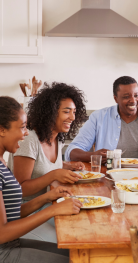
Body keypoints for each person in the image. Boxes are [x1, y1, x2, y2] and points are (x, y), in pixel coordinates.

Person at [0, 96, 82, 263]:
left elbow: (12, 213)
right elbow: (2, 233)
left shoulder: (1, 162)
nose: (25, 133)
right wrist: (52, 210)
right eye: (22, 127)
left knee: (76, 254)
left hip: (12, 244)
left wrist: (47, 197)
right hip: (4, 252)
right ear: (2, 130)